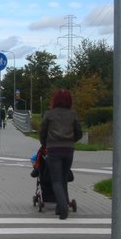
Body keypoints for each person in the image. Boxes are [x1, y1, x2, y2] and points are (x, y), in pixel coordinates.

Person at [39, 89, 83, 220]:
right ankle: (60, 205)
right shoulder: (73, 114)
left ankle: (63, 208)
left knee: (56, 180)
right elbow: (79, 133)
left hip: (54, 149)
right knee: (64, 178)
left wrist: (44, 143)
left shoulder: (49, 114)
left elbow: (42, 131)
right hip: (69, 150)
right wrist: (71, 141)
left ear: (55, 100)